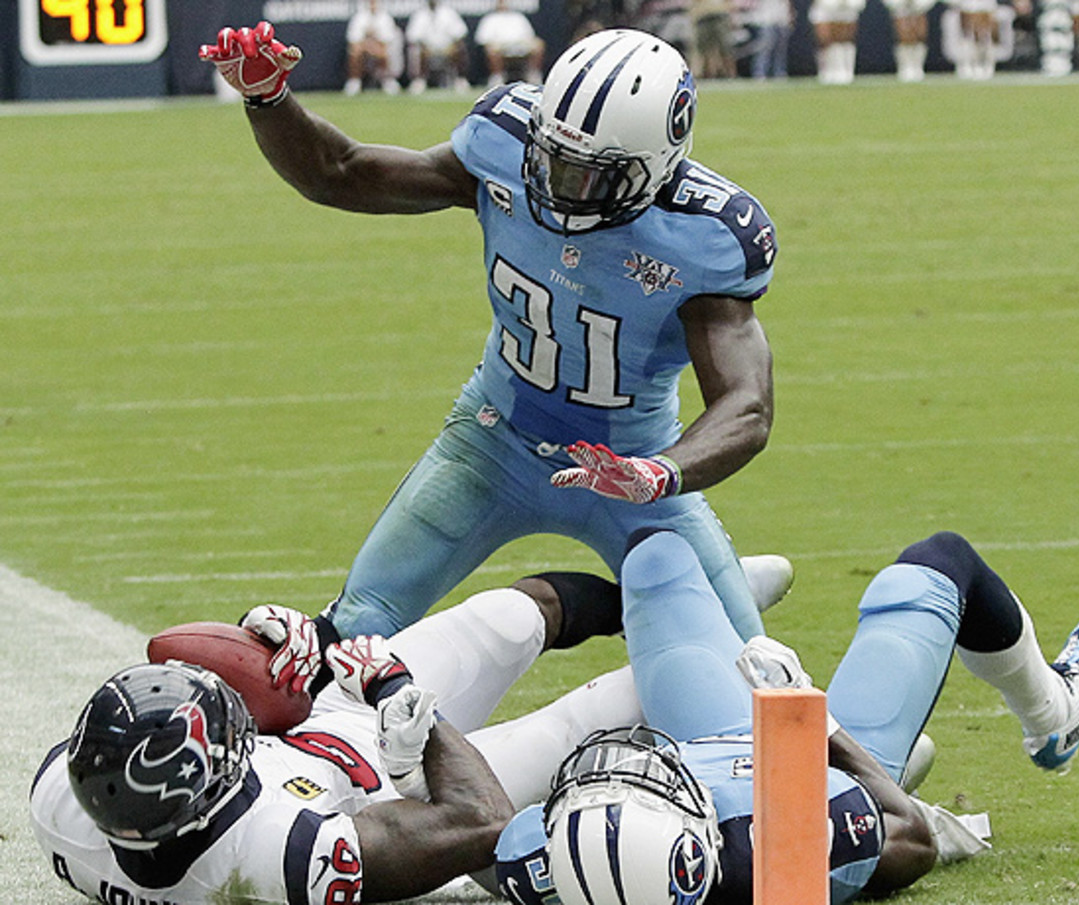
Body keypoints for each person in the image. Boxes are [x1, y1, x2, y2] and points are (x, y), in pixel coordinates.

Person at [198, 25, 779, 646]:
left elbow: (746, 406)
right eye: (554, 157)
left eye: (590, 175)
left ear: (658, 166)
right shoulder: (506, 143)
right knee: (351, 632)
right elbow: (339, 172)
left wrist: (660, 473)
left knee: (758, 677)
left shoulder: (706, 237)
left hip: (627, 470)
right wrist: (268, 99)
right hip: (492, 443)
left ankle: (681, 602)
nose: (560, 186)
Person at [29, 553, 796, 904]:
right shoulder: (273, 862)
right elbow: (478, 820)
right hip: (399, 778)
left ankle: (673, 595)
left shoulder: (66, 799)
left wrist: (292, 648)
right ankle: (784, 700)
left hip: (330, 729)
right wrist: (398, 696)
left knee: (506, 616)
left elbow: (254, 719)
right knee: (600, 711)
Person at [490, 529, 1079, 904]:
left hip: (704, 736)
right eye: (643, 786)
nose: (633, 767)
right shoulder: (782, 851)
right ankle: (1053, 714)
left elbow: (475, 831)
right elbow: (912, 838)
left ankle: (720, 612)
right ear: (695, 853)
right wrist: (804, 719)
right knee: (935, 566)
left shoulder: (552, 859)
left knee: (652, 555)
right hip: (819, 766)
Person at [474, 0, 546, 88]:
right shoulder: (490, 18)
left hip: (519, 45)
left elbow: (529, 36)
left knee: (538, 45)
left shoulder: (518, 17)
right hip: (500, 47)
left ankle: (533, 75)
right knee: (491, 49)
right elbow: (483, 40)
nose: (503, 4)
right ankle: (497, 77)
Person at [405, 0, 471, 92]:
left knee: (460, 49)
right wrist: (426, 48)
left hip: (447, 48)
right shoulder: (419, 15)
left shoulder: (449, 13)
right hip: (426, 49)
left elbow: (460, 34)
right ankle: (419, 80)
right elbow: (413, 37)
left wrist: (450, 48)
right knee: (415, 51)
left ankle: (460, 79)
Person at [343, 0, 404, 95]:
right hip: (363, 48)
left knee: (383, 52)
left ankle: (387, 80)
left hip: (379, 47)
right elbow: (353, 40)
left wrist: (374, 44)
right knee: (355, 52)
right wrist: (367, 46)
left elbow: (386, 41)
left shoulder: (385, 17)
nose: (373, 5)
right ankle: (354, 82)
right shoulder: (359, 17)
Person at [808, 0, 865, 83]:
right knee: (825, 41)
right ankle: (826, 72)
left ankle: (847, 72)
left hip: (847, 7)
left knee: (845, 40)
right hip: (824, 7)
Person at [884, 0, 936, 81]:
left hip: (920, 5)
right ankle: (905, 67)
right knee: (904, 35)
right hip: (900, 6)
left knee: (920, 35)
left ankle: (918, 66)